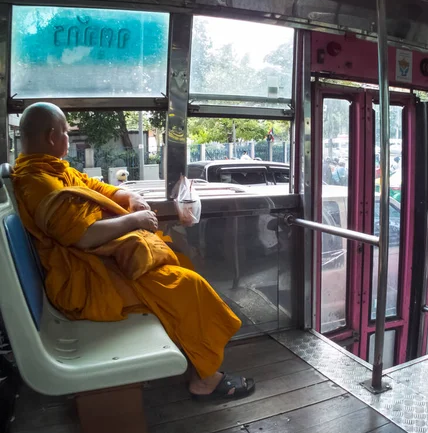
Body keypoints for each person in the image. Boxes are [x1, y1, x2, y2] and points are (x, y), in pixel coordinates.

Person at [11, 103, 254, 399]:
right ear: (52, 136)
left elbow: (100, 189)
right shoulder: (38, 182)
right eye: (65, 131)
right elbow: (84, 237)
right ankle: (205, 379)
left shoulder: (54, 171)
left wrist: (131, 196)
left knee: (182, 267)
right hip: (85, 277)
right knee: (188, 285)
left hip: (97, 263)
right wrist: (135, 220)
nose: (66, 138)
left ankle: (196, 362)